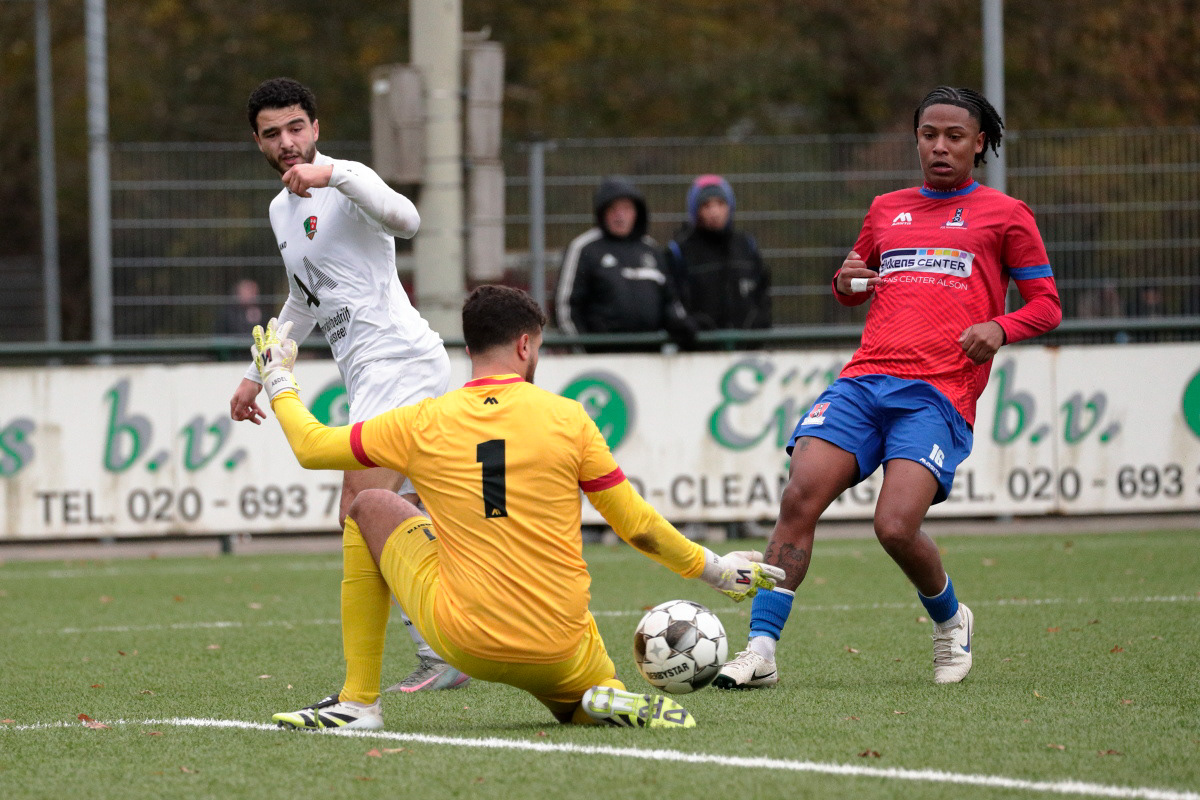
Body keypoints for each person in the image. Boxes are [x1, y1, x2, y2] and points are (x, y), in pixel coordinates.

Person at [250, 286, 784, 730]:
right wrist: (717, 570)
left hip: (465, 638)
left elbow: (312, 446)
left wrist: (278, 379)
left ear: (470, 350)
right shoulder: (568, 418)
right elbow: (636, 526)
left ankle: (359, 702)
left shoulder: (422, 421)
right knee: (578, 682)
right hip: (561, 644)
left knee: (368, 502)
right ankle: (599, 694)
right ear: (526, 345)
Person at [715, 86, 1062, 689]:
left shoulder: (1007, 215)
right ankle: (762, 651)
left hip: (938, 393)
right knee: (799, 500)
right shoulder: (886, 208)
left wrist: (999, 327)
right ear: (918, 140)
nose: (940, 146)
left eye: (955, 136)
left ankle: (951, 619)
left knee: (894, 526)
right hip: (864, 380)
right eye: (930, 135)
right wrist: (848, 282)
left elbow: (1047, 306)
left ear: (979, 144)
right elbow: (851, 283)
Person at [227, 77, 467, 693]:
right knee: (405, 510)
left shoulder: (347, 179)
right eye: (272, 133)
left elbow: (409, 220)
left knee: (359, 512)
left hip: (399, 362)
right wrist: (257, 377)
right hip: (372, 374)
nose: (287, 142)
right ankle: (465, 624)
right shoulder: (280, 210)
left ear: (316, 126)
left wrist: (331, 174)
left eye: (296, 127)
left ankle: (443, 650)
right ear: (256, 141)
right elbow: (302, 303)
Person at [556, 177, 696, 352]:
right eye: (613, 209)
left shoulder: (651, 250)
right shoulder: (584, 248)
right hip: (601, 362)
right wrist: (582, 351)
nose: (620, 215)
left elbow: (670, 301)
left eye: (626, 208)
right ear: (602, 213)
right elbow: (566, 306)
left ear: (637, 212)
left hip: (650, 359)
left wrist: (681, 324)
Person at [665, 174, 771, 339]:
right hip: (700, 348)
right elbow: (673, 299)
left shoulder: (746, 245)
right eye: (706, 205)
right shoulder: (680, 251)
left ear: (730, 207)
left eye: (720, 204)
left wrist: (759, 323)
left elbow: (762, 293)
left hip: (746, 346)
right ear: (696, 211)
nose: (714, 212)